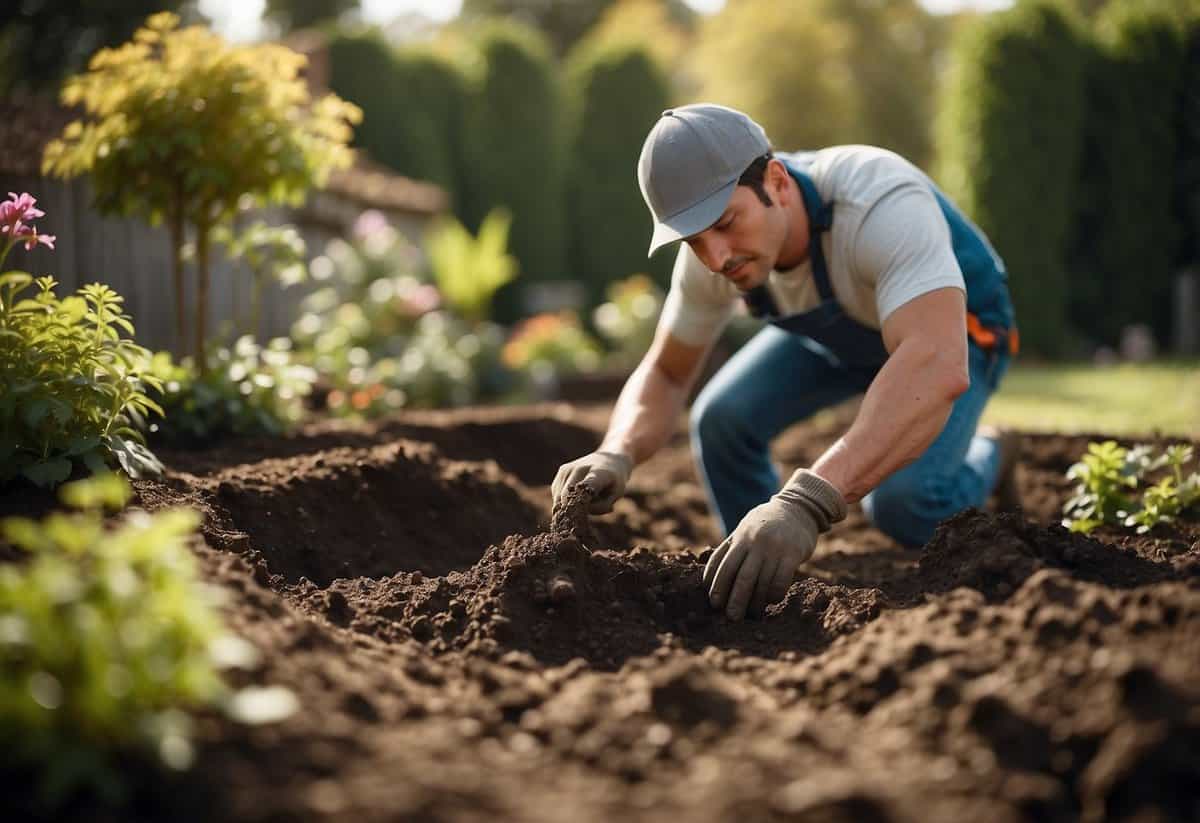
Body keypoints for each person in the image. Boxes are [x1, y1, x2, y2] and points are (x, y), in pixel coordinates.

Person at [551, 104, 1020, 621]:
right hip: (843, 337)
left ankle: (991, 454)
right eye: (693, 240)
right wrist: (616, 452)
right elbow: (666, 372)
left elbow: (934, 365)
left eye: (727, 223)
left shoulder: (877, 202)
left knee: (903, 505)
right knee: (722, 420)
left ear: (776, 181)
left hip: (957, 334)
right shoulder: (713, 253)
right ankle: (763, 578)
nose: (716, 258)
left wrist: (804, 503)